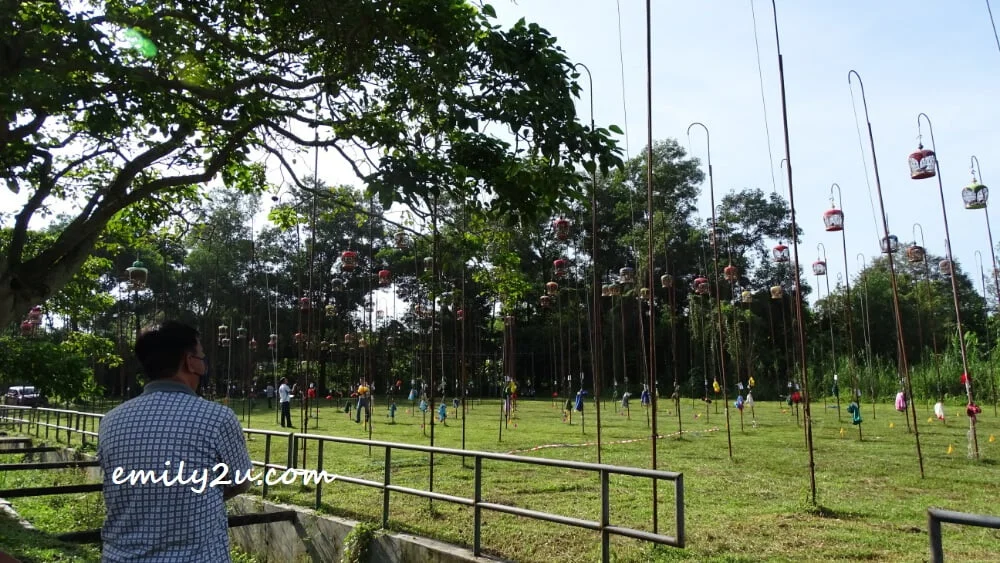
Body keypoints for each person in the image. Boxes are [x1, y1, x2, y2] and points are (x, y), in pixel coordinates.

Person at [97, 321, 252, 562]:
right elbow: (240, 481)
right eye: (201, 356)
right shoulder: (217, 418)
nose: (204, 362)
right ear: (190, 362)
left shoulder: (110, 421)